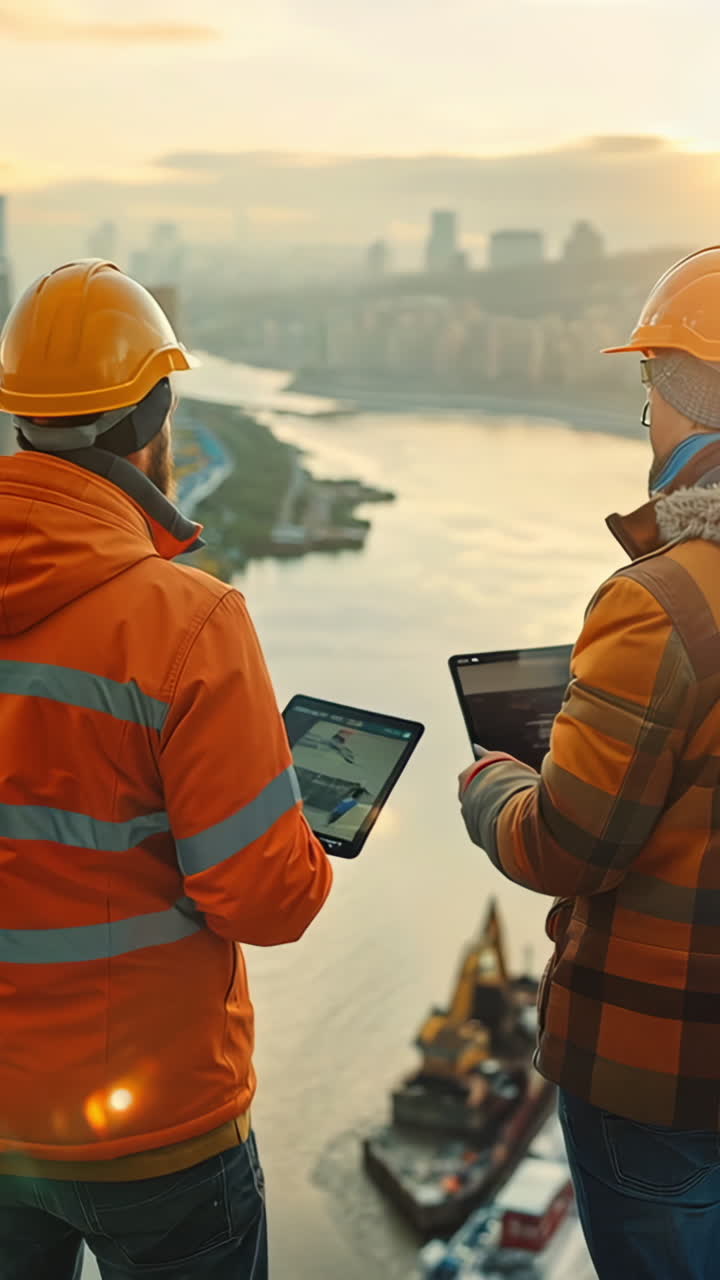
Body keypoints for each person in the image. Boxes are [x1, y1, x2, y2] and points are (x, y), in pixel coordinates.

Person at [0, 260, 333, 1280]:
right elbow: (266, 896)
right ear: (155, 420)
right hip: (159, 1129)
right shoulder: (187, 621)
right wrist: (307, 843)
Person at [457, 246, 720, 1279]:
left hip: (655, 1073)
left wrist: (494, 788)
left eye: (649, 393)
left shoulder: (661, 600)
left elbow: (567, 843)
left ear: (682, 400)